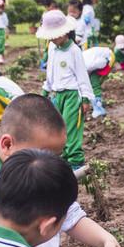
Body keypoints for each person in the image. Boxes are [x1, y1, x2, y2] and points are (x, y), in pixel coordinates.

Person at [36, 9, 92, 168]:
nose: (51, 39)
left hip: (72, 96)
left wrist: (86, 99)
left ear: (64, 33)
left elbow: (82, 76)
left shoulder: (74, 51)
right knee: (56, 128)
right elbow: (50, 71)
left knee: (70, 129)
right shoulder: (52, 48)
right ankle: (62, 159)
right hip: (56, 94)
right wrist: (45, 91)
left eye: (54, 36)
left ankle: (75, 162)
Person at [82, 44, 114, 118]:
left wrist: (85, 102)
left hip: (107, 58)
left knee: (95, 84)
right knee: (90, 84)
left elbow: (102, 63)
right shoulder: (81, 66)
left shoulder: (90, 65)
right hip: (95, 60)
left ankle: (98, 107)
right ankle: (97, 102)